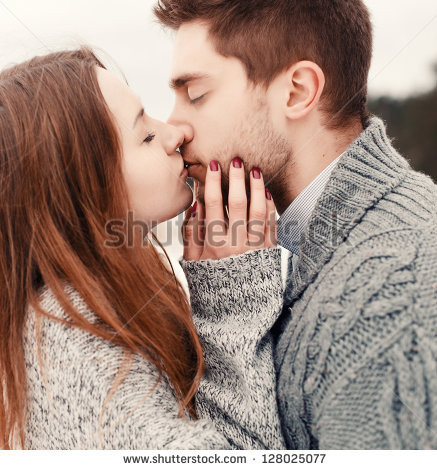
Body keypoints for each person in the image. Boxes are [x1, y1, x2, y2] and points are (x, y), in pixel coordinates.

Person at [154, 0, 437, 449]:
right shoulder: (328, 247)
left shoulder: (387, 305)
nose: (174, 129)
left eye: (195, 94)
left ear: (297, 92)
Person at [0, 47, 286, 449]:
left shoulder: (73, 312)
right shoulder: (71, 346)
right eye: (146, 135)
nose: (175, 133)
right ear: (81, 189)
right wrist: (232, 298)